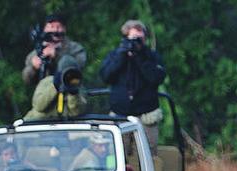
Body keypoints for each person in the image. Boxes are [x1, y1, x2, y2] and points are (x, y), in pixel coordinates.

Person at [99, 20, 166, 154]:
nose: (136, 42)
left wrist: (139, 58)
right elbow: (105, 76)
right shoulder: (116, 55)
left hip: (146, 116)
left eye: (140, 39)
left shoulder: (151, 56)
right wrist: (122, 56)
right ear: (125, 38)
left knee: (148, 156)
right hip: (120, 115)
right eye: (133, 38)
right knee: (119, 154)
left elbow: (156, 78)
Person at [22, 14, 87, 87]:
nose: (55, 30)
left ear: (64, 29)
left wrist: (57, 56)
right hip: (44, 93)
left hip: (69, 91)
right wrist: (33, 67)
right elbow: (26, 80)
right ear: (45, 29)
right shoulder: (36, 52)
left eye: (58, 27)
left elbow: (78, 66)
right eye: (51, 27)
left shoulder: (75, 48)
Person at [23, 56, 87, 121]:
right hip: (37, 123)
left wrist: (73, 93)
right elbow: (39, 106)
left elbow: (76, 113)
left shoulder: (78, 87)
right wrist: (54, 86)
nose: (69, 76)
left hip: (65, 126)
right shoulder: (47, 82)